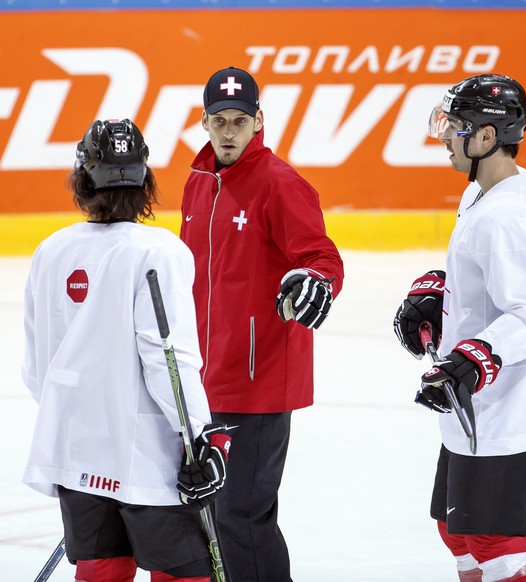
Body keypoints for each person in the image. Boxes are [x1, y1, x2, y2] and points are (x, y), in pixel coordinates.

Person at [22, 118, 232, 582]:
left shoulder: (51, 251)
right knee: (184, 573)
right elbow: (169, 360)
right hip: (148, 460)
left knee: (102, 569)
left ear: (82, 179)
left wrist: (83, 424)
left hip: (76, 454)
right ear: (144, 180)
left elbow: (39, 368)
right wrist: (200, 438)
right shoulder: (159, 250)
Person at [394, 74, 526, 582]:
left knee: (495, 543)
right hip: (476, 402)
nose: (446, 136)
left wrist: (478, 357)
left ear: (486, 137)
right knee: (455, 531)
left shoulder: (508, 217)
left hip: (506, 402)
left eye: (456, 126)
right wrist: (441, 289)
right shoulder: (489, 193)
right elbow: (486, 272)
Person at [180, 66, 344, 581]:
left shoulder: (280, 183)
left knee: (243, 515)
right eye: (219, 120)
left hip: (259, 381)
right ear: (204, 123)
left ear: (259, 122)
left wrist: (318, 281)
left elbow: (322, 257)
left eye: (240, 120)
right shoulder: (197, 181)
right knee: (208, 514)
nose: (229, 132)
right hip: (206, 378)